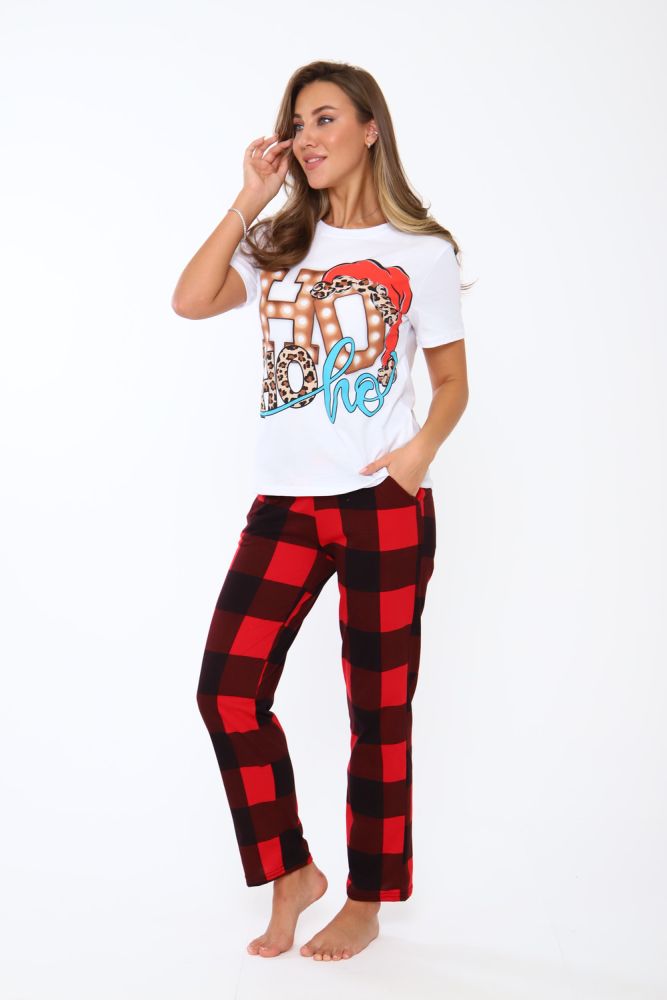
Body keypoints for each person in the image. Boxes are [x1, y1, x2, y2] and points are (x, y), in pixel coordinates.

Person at [171, 59, 470, 962]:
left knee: (378, 712)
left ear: (370, 128)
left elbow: (451, 384)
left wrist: (415, 455)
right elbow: (190, 300)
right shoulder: (277, 243)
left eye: (325, 118)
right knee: (227, 691)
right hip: (287, 506)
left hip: (383, 505)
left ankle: (368, 899)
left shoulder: (423, 253)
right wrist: (248, 199)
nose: (306, 137)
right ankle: (291, 871)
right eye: (296, 123)